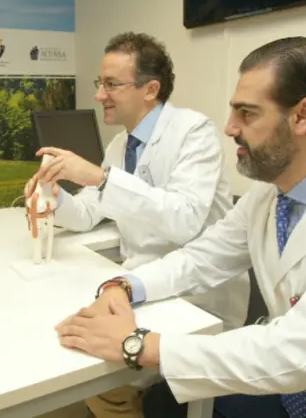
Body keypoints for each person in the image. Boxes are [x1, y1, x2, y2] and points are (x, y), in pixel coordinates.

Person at [56, 36, 306, 418]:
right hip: (302, 389)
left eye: (247, 113)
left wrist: (137, 345)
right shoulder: (268, 198)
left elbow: (299, 350)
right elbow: (202, 258)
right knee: (166, 404)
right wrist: (124, 286)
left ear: (303, 115)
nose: (229, 128)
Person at [26, 32, 250, 417]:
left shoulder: (193, 132)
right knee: (72, 335)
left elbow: (184, 219)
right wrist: (52, 196)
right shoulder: (120, 145)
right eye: (100, 83)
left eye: (111, 84)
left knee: (97, 366)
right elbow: (87, 213)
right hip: (140, 282)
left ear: (150, 89)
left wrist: (101, 178)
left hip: (195, 297)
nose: (99, 94)